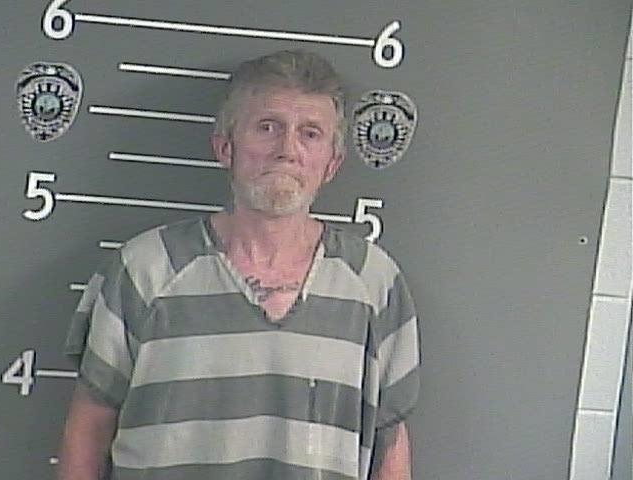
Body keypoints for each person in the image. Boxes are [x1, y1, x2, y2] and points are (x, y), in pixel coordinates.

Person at [57, 49, 420, 480]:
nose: (287, 150)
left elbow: (389, 442)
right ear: (225, 148)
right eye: (267, 127)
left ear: (332, 164)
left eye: (310, 134)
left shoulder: (373, 283)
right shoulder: (144, 271)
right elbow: (90, 427)